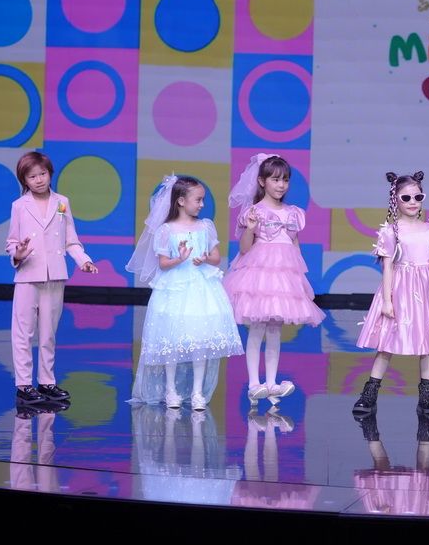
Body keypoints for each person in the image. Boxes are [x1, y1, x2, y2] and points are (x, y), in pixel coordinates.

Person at [127, 175, 243, 409]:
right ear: (181, 201)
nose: (202, 204)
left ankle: (197, 392)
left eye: (202, 200)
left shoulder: (205, 226)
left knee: (200, 339)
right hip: (175, 287)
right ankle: (171, 390)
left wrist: (204, 258)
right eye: (198, 200)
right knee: (172, 339)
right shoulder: (166, 230)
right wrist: (179, 259)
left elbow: (216, 257)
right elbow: (163, 263)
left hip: (201, 287)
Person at [223, 154, 325, 405]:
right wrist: (250, 228)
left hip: (283, 276)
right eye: (276, 179)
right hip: (260, 273)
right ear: (262, 181)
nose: (281, 185)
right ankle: (253, 383)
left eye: (285, 180)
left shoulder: (293, 213)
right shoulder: (254, 212)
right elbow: (245, 249)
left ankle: (271, 383)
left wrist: (297, 277)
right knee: (257, 328)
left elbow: (294, 244)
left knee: (275, 330)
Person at [353, 172, 429, 417]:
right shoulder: (391, 231)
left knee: (428, 344)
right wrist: (387, 300)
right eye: (406, 197)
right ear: (395, 199)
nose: (412, 202)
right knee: (386, 342)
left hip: (428, 291)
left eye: (418, 197)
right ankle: (369, 393)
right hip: (401, 289)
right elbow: (387, 267)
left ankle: (427, 395)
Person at [5, 151, 98, 405]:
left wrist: (84, 260)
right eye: (32, 176)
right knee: (23, 333)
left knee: (48, 333)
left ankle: (47, 382)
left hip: (55, 275)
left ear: (50, 173)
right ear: (24, 180)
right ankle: (24, 385)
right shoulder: (19, 206)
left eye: (42, 174)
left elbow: (71, 239)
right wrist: (18, 253)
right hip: (28, 276)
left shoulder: (62, 203)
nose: (38, 180)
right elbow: (12, 242)